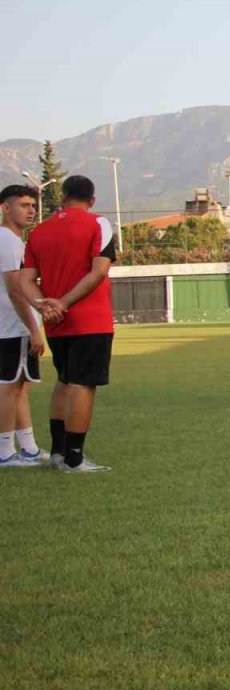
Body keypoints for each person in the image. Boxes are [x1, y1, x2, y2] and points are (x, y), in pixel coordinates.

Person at [19, 175, 117, 472]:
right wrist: (63, 303)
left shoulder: (39, 232)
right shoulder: (98, 223)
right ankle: (74, 459)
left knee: (64, 380)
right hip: (90, 320)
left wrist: (44, 306)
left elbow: (25, 280)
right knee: (83, 384)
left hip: (56, 323)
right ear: (92, 200)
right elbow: (99, 271)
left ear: (62, 198)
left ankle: (58, 453)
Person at [0, 185, 47, 467]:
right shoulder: (6, 240)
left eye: (32, 205)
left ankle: (28, 447)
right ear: (5, 208)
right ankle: (5, 452)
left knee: (20, 385)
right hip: (13, 326)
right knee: (9, 386)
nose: (30, 210)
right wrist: (33, 328)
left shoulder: (13, 240)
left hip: (12, 326)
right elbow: (15, 290)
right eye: (23, 205)